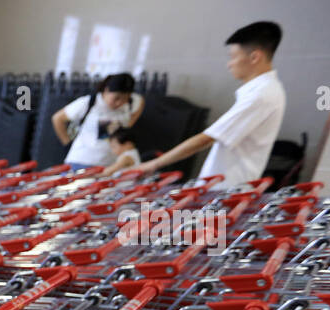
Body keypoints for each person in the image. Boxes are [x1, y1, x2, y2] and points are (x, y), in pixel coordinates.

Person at [137, 21, 285, 189]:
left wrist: (154, 164)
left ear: (254, 57)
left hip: (227, 189)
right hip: (223, 186)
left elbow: (207, 138)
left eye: (233, 57)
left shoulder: (262, 94)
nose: (229, 64)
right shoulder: (264, 90)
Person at [51, 73, 145, 169]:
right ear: (106, 90)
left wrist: (129, 124)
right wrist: (67, 144)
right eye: (116, 98)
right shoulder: (89, 102)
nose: (119, 103)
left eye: (125, 99)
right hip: (82, 162)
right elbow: (57, 118)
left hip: (112, 165)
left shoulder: (133, 103)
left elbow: (140, 103)